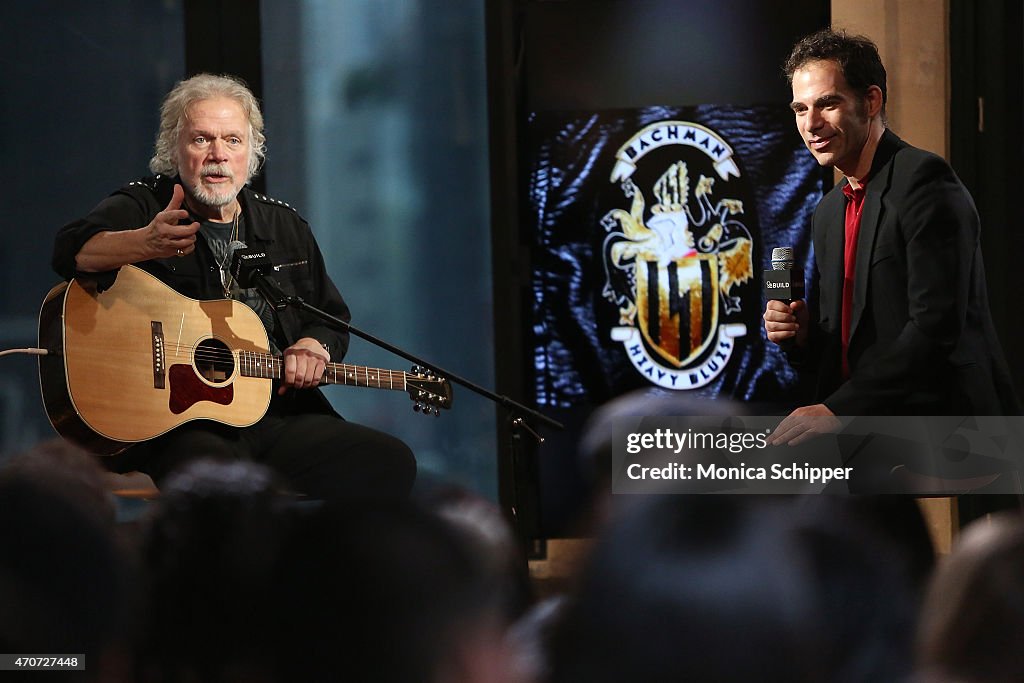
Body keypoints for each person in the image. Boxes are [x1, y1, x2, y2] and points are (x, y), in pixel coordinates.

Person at [52, 73, 415, 501]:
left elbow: (330, 318)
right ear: (173, 148)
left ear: (253, 153)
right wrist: (144, 242)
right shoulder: (146, 205)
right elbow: (71, 252)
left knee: (388, 462)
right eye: (201, 139)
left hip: (275, 417)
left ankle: (318, 566)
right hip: (176, 424)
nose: (218, 155)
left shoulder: (284, 226)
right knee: (224, 486)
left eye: (233, 141)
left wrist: (315, 347)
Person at [763, 29, 1018, 445]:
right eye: (800, 108)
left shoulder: (923, 179)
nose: (811, 124)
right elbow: (848, 339)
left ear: (872, 101)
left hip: (951, 437)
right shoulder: (828, 210)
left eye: (828, 103)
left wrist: (839, 409)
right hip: (866, 433)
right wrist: (804, 337)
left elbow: (934, 329)